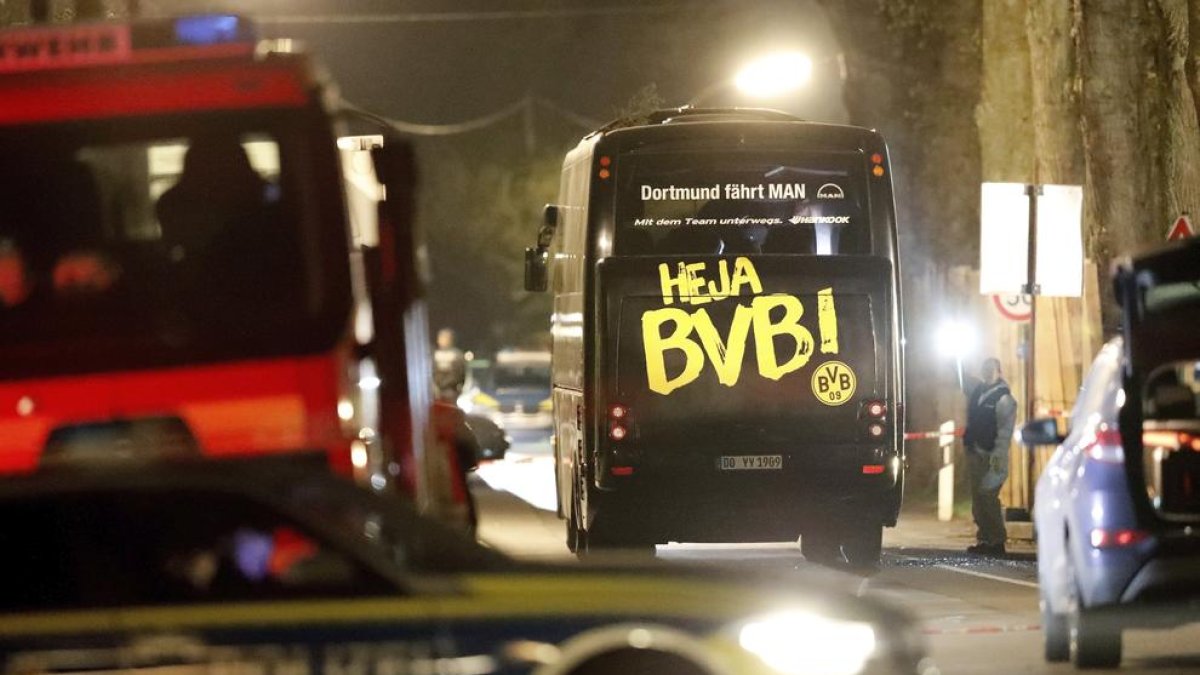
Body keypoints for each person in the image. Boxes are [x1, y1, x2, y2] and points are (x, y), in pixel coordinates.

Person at [961, 357, 1017, 556]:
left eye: (990, 369)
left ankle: (997, 541)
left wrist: (997, 458)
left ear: (999, 371)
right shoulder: (979, 391)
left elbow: (1005, 432)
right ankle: (985, 538)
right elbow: (963, 381)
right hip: (976, 452)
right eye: (984, 368)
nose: (986, 372)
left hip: (993, 454)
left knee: (988, 495)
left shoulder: (1004, 399)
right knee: (978, 499)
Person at [433, 328, 467, 402]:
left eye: (445, 338)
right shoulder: (433, 355)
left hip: (451, 390)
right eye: (441, 338)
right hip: (436, 391)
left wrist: (458, 387)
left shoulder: (457, 355)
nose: (442, 340)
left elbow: (461, 373)